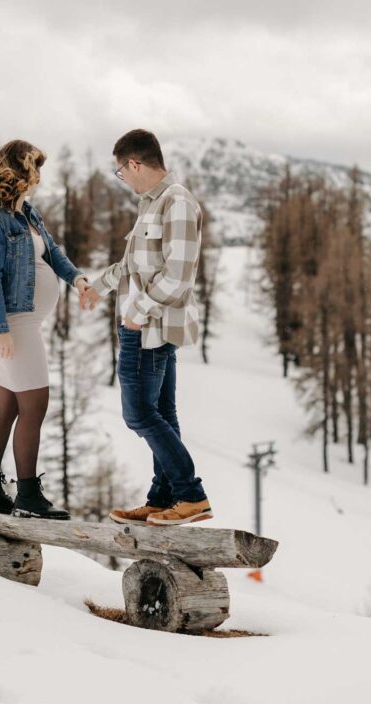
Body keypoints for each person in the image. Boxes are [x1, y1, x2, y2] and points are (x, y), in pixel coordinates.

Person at [79, 128, 212, 526]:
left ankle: (191, 495)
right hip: (143, 323)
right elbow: (132, 267)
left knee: (138, 414)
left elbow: (179, 276)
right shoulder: (150, 205)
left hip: (149, 327)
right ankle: (164, 496)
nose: (124, 179)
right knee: (162, 414)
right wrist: (99, 287)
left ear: (134, 163)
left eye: (122, 171)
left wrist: (140, 311)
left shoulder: (178, 204)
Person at [0, 139, 91, 520]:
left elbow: (53, 252)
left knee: (7, 405)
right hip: (12, 323)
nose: (38, 176)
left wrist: (78, 280)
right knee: (34, 404)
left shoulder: (27, 213)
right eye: (34, 168)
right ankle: (27, 494)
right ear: (18, 171)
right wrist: (0, 329)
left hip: (22, 322)